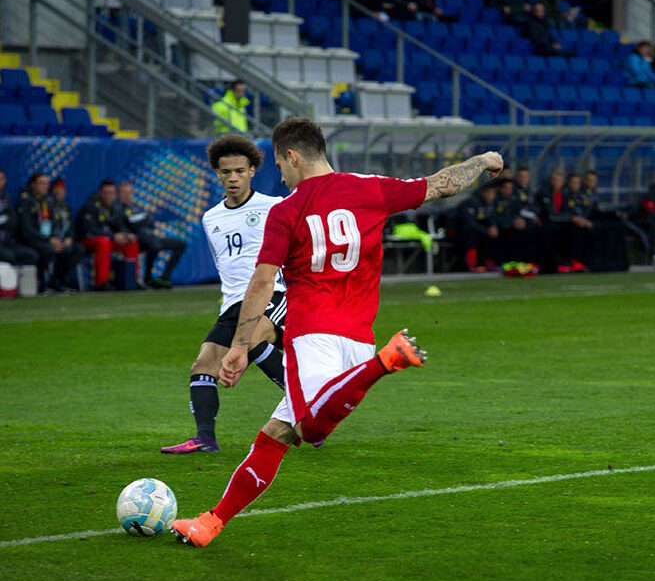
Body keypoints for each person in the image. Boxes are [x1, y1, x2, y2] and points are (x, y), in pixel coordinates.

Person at [170, 117, 503, 547]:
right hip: (357, 339)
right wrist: (482, 160)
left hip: (313, 337)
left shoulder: (285, 210)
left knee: (310, 430)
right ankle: (211, 523)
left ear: (291, 156)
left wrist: (238, 347)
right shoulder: (369, 186)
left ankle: (387, 362)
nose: (282, 176)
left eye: (280, 166)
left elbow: (261, 282)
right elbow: (441, 184)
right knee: (275, 434)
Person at [161, 135, 288, 455]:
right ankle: (205, 438)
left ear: (252, 171)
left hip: (272, 294)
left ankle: (307, 403)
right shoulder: (211, 218)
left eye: (239, 171)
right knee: (202, 365)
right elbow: (225, 267)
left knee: (255, 340)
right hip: (234, 304)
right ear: (217, 174)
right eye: (226, 172)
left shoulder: (274, 206)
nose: (233, 178)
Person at [16, 173, 80, 292]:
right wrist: (48, 240)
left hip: (47, 239)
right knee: (48, 249)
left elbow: (54, 224)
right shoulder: (26, 201)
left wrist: (56, 239)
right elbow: (27, 229)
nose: (45, 186)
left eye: (47, 183)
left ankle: (57, 281)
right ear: (33, 185)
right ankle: (39, 282)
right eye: (42, 183)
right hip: (30, 239)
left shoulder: (48, 202)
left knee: (72, 249)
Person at [117, 181, 187, 289]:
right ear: (119, 194)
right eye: (124, 192)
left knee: (180, 244)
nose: (127, 195)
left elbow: (150, 223)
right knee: (155, 246)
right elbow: (123, 227)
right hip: (137, 240)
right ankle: (147, 278)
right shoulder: (118, 209)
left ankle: (164, 277)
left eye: (129, 192)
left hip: (150, 237)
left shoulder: (136, 207)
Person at [76, 179, 139, 291]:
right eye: (106, 193)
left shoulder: (115, 207)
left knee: (130, 242)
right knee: (104, 243)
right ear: (100, 192)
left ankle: (132, 280)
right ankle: (102, 283)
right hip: (87, 240)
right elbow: (90, 229)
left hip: (109, 240)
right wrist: (113, 236)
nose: (109, 196)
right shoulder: (90, 206)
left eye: (112, 193)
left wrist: (126, 235)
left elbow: (120, 225)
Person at [534, 169, 573, 273]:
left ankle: (566, 262)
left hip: (562, 223)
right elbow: (545, 212)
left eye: (559, 180)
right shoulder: (543, 193)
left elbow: (568, 211)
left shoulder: (566, 194)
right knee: (547, 232)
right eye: (554, 180)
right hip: (548, 223)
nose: (556, 183)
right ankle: (547, 265)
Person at [0, 169, 38, 271]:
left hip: (7, 241)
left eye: (2, 179)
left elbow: (12, 221)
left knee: (31, 255)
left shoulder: (5, 198)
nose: (1, 182)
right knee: (9, 256)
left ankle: (19, 283)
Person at [48, 178, 82, 290]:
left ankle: (64, 280)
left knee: (78, 249)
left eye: (61, 190)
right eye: (56, 190)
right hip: (52, 240)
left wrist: (69, 238)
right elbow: (44, 225)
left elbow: (70, 227)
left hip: (63, 240)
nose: (59, 192)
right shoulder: (47, 206)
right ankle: (55, 281)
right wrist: (51, 239)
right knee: (63, 250)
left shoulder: (65, 207)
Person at [461, 181, 500, 272]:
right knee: (472, 233)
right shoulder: (472, 202)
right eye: (490, 193)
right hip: (461, 231)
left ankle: (490, 263)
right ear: (484, 192)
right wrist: (486, 230)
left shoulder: (491, 204)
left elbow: (492, 219)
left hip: (481, 232)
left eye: (493, 193)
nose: (492, 196)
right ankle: (471, 264)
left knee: (496, 232)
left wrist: (493, 227)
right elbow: (470, 223)